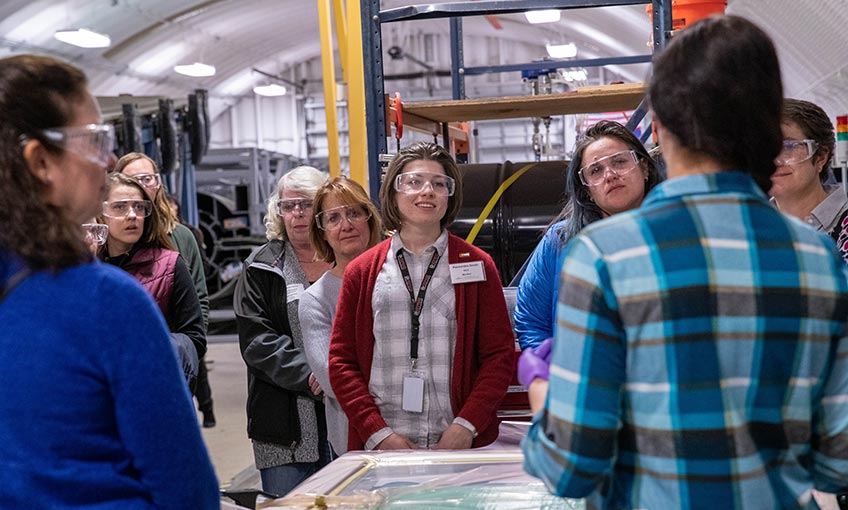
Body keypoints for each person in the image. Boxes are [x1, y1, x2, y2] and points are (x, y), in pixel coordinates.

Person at [522, 15, 848, 509]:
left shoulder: (606, 254)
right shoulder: (820, 259)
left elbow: (571, 467)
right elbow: (837, 457)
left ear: (657, 131)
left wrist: (542, 386)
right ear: (764, 128)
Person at [0, 54, 218, 508]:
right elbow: (185, 487)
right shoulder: (106, 302)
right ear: (41, 162)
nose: (111, 159)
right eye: (96, 141)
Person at [328, 142, 515, 452]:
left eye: (439, 183)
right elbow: (341, 362)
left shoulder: (477, 265)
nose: (427, 191)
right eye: (414, 182)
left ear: (449, 195)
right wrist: (378, 434)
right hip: (383, 448)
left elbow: (499, 355)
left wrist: (467, 425)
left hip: (458, 446)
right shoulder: (362, 272)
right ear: (393, 192)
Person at [514, 120, 661, 350]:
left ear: (644, 169)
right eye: (596, 170)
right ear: (587, 192)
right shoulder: (559, 242)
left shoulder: (676, 236)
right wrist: (557, 374)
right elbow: (531, 322)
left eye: (619, 162)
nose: (610, 174)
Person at [233, 166, 333, 496]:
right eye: (288, 206)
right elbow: (257, 342)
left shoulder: (347, 258)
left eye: (305, 204)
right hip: (284, 429)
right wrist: (311, 375)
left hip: (347, 417)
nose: (297, 214)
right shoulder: (262, 267)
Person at [298, 177, 382, 456]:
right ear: (322, 232)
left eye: (354, 213)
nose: (346, 225)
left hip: (421, 428)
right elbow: (336, 383)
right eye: (333, 218)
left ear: (369, 218)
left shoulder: (401, 276)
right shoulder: (316, 300)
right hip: (353, 439)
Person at [98, 172, 206, 384]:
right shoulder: (87, 267)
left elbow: (195, 338)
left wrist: (150, 347)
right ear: (100, 213)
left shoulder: (170, 264)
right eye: (120, 207)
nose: (132, 215)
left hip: (155, 387)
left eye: (139, 207)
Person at [770, 98, 847, 262]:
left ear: (820, 157)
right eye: (765, 147)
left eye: (788, 147)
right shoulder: (750, 222)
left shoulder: (843, 228)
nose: (775, 160)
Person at [167, 192, 216, 427]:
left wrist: (196, 337)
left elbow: (199, 288)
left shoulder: (187, 235)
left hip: (184, 337)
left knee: (200, 373)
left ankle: (208, 411)